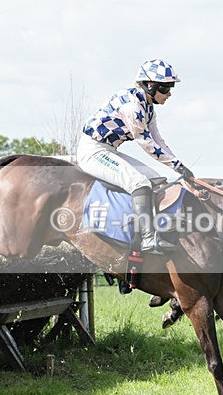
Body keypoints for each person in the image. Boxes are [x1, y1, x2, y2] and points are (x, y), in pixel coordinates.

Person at [77, 59, 194, 254]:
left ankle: (160, 229)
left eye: (170, 88)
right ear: (150, 85)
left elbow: (159, 141)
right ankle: (147, 239)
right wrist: (178, 166)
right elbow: (148, 144)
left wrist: (180, 166)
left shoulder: (148, 108)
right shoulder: (133, 106)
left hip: (108, 149)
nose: (169, 94)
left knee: (157, 180)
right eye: (165, 89)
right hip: (93, 151)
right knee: (139, 183)